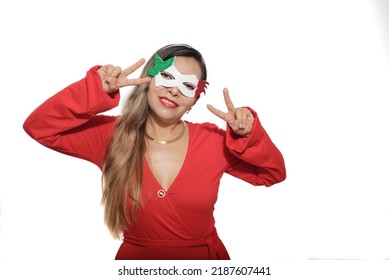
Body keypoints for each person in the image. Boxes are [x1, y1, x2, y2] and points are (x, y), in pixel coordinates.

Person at [23, 44, 286, 260]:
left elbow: (272, 174)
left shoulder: (214, 141)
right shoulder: (110, 136)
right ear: (149, 79)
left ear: (195, 98)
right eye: (168, 76)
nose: (174, 89)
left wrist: (249, 136)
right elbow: (39, 127)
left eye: (187, 85)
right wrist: (93, 91)